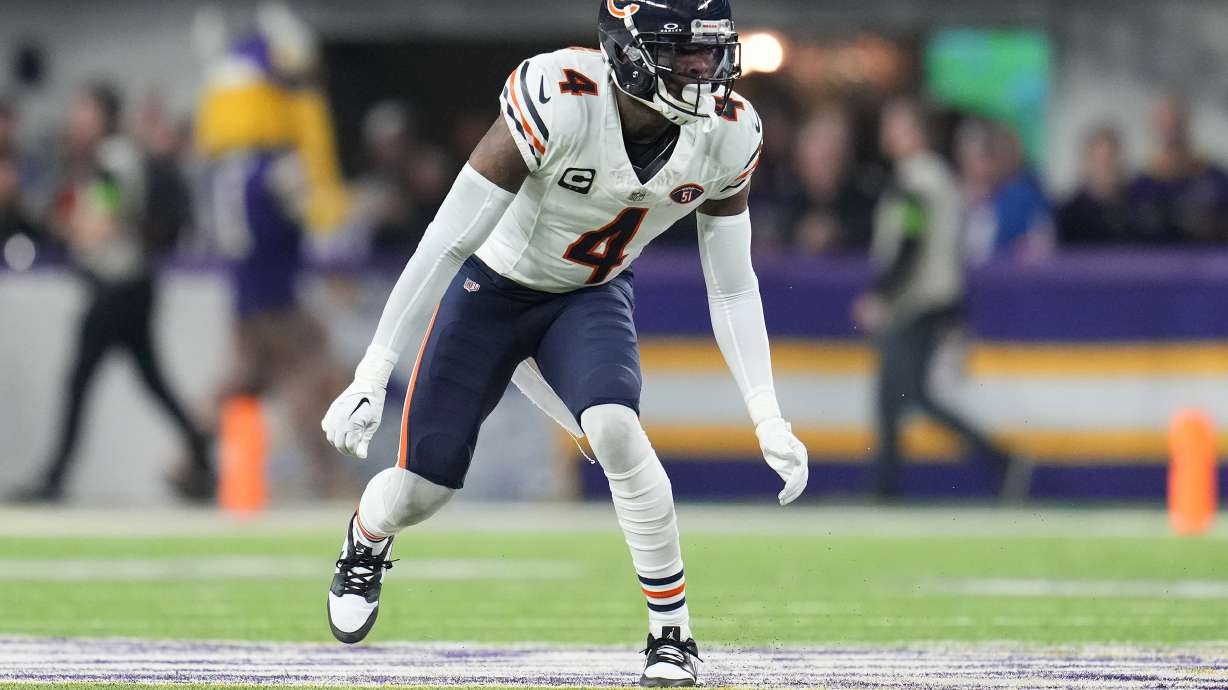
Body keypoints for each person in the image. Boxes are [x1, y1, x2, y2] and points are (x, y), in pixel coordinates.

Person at [319, 1, 809, 686]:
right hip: (492, 293)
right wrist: (373, 372)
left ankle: (672, 635)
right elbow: (448, 239)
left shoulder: (728, 133)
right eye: (682, 52)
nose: (704, 70)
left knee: (616, 429)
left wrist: (767, 413)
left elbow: (731, 286)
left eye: (709, 52)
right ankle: (365, 540)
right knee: (421, 492)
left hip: (588, 295)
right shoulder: (559, 101)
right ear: (630, 53)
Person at [10, 83, 212, 502]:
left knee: (81, 381)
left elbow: (103, 219)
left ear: (103, 115)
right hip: (129, 286)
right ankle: (202, 453)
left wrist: (65, 226)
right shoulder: (111, 157)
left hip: (119, 286)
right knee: (150, 381)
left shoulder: (111, 159)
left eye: (84, 110)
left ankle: (54, 479)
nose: (75, 119)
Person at [854, 98, 1017, 500]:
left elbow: (911, 240)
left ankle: (998, 459)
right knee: (893, 397)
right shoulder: (933, 175)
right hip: (927, 296)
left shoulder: (918, 178)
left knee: (908, 394)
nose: (887, 135)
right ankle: (885, 486)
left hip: (918, 299)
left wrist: (882, 293)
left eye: (895, 126)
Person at [1129, 94, 1228, 244]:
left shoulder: (1215, 180)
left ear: (1187, 123)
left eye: (1176, 121)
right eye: (1164, 122)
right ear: (1153, 127)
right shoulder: (1139, 187)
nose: (1170, 128)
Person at [1057, 125, 1137, 245]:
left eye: (1110, 159)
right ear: (1087, 161)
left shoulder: (1136, 207)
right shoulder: (1070, 213)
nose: (1105, 168)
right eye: (1100, 160)